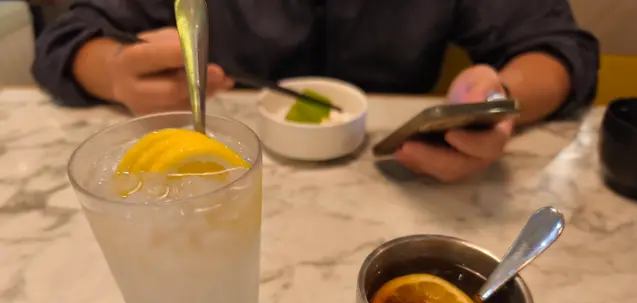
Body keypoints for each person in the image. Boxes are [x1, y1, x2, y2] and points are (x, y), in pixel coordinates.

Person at [32, 0, 599, 182]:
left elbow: (557, 47)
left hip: (404, 183)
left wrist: (497, 102)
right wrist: (117, 72)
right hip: (222, 178)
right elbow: (68, 38)